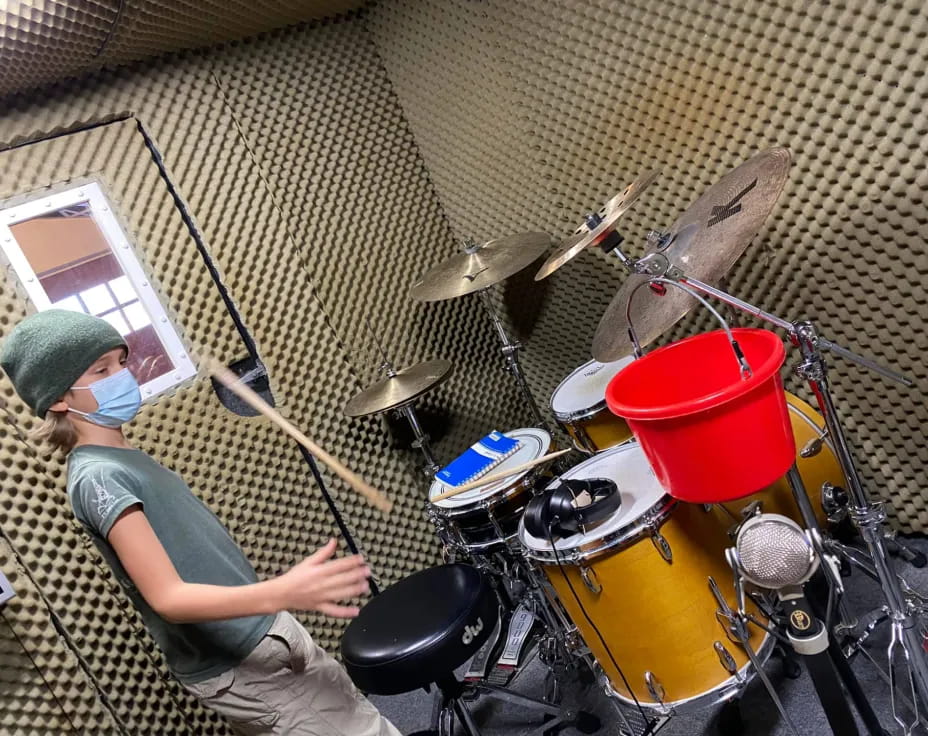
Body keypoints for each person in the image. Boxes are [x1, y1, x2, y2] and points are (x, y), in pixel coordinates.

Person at [0, 309, 402, 736]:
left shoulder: (120, 457)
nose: (123, 376)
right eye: (102, 370)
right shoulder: (99, 476)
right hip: (242, 660)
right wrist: (283, 590)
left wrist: (273, 604)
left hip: (259, 631)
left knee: (359, 720)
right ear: (60, 398)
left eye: (121, 362)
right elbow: (169, 597)